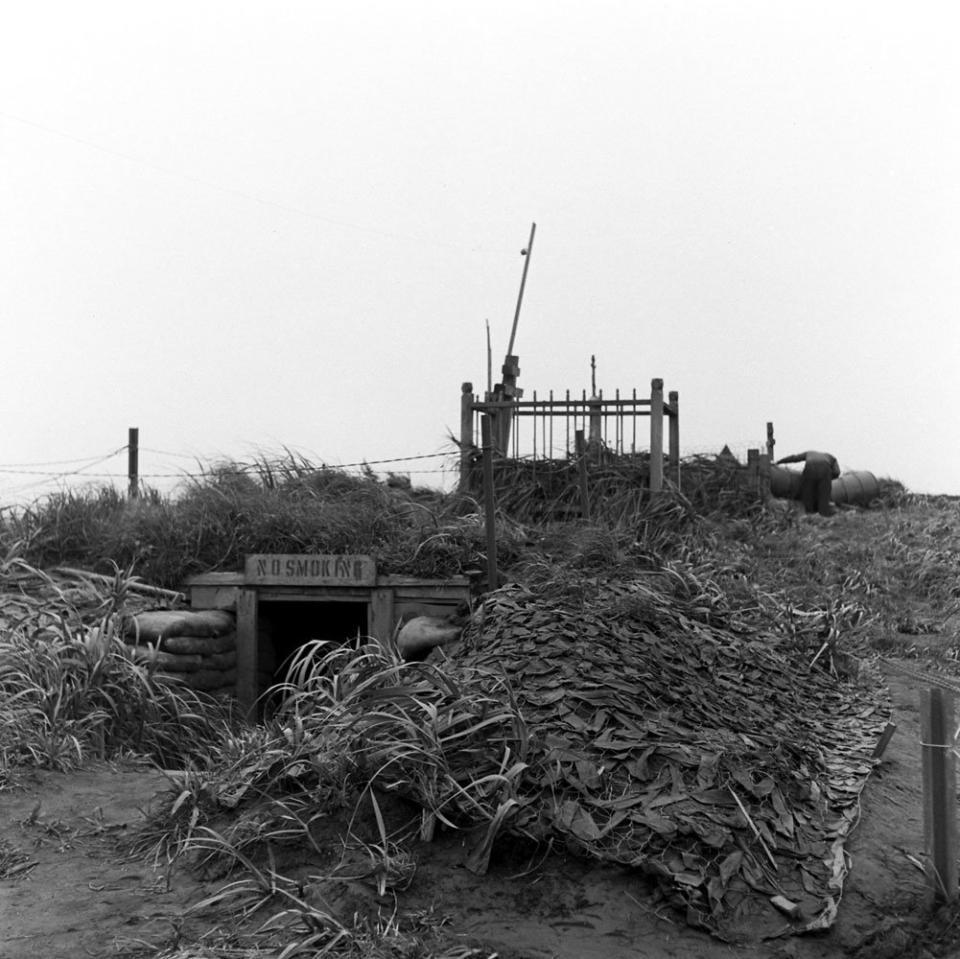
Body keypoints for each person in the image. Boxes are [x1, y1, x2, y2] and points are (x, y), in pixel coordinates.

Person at [775, 450, 841, 516]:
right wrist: (829, 479)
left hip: (810, 469)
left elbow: (794, 458)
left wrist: (778, 462)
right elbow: (837, 472)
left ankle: (809, 514)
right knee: (824, 496)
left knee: (808, 494)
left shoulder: (809, 453)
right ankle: (823, 515)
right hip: (825, 470)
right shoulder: (831, 457)